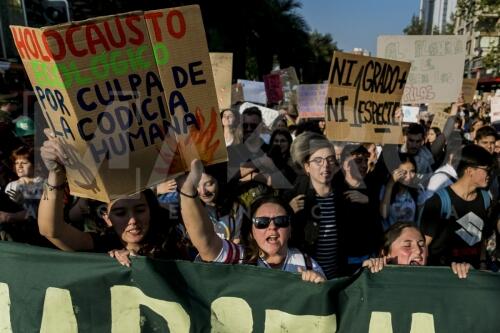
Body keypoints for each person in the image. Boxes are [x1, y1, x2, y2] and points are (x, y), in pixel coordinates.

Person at [37, 130, 185, 265]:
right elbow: (51, 231)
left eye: (140, 210)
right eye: (120, 213)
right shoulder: (102, 244)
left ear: (150, 210)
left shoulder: (172, 241)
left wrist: (141, 261)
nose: (132, 220)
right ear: (107, 218)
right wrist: (56, 174)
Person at [179, 159, 325, 283]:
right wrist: (188, 191)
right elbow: (207, 244)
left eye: (281, 221)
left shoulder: (307, 264)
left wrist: (320, 287)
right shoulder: (241, 258)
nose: (272, 227)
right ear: (251, 231)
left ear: (290, 228)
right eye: (262, 223)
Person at [419, 145, 495, 268]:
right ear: (470, 171)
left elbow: (482, 236)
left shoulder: (486, 198)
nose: (490, 174)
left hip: (472, 273)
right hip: (443, 274)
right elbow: (424, 244)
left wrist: (482, 262)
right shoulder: (438, 201)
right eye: (487, 169)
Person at [285, 132, 347, 279]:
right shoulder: (293, 198)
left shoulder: (344, 197)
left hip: (337, 278)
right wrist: (288, 213)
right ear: (307, 167)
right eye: (318, 160)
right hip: (307, 278)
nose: (325, 166)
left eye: (330, 160)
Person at [362, 222, 471, 279]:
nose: (418, 251)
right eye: (407, 245)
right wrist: (363, 275)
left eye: (422, 245)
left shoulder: (442, 279)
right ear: (385, 253)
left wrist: (468, 275)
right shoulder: (372, 279)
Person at [379, 154, 421, 230]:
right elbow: (384, 214)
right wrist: (390, 184)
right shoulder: (385, 188)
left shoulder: (417, 190)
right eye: (404, 172)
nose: (409, 176)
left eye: (412, 171)